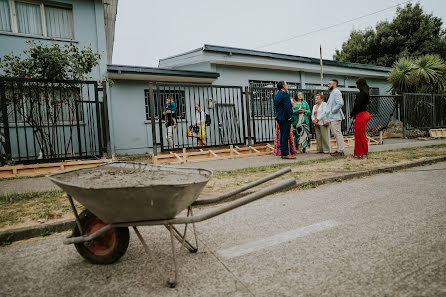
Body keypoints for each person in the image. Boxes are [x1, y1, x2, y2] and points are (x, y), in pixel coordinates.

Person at [350, 78, 372, 159]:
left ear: (359, 84)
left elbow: (357, 106)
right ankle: (363, 152)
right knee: (362, 135)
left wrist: (352, 114)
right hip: (366, 114)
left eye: (356, 84)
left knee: (359, 136)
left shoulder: (361, 94)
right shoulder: (366, 93)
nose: (356, 85)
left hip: (361, 115)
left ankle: (360, 153)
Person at [273, 81, 295, 159]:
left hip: (280, 117)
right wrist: (290, 116)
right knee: (285, 136)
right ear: (283, 86)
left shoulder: (277, 94)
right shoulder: (285, 94)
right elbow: (287, 106)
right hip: (285, 118)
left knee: (283, 135)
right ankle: (285, 153)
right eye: (286, 84)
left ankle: (284, 152)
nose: (287, 86)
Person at [326, 79, 345, 156]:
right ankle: (339, 150)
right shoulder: (333, 92)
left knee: (337, 133)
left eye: (329, 84)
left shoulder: (336, 92)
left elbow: (340, 103)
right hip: (333, 117)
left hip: (335, 116)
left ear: (334, 84)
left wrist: (333, 111)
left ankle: (340, 150)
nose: (328, 85)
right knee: (336, 133)